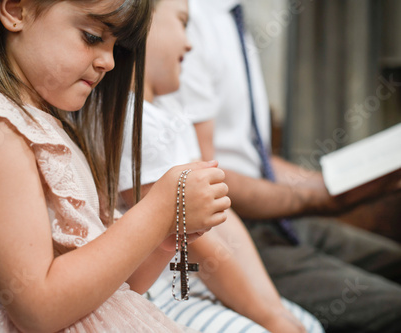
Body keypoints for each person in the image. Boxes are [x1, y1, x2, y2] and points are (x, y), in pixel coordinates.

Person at [0, 0, 232, 332]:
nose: (109, 62)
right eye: (91, 37)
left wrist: (165, 233)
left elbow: (116, 283)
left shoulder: (53, 131)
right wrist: (157, 210)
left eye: (116, 46)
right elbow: (37, 308)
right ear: (16, 11)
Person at [157, 0, 401, 332]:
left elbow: (258, 159)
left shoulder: (232, 18)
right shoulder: (186, 21)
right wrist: (321, 198)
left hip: (276, 218)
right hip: (237, 226)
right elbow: (204, 176)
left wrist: (340, 181)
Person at [119, 1, 323, 332]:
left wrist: (271, 307)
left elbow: (223, 224)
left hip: (203, 286)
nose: (190, 43)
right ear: (138, 21)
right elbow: (194, 238)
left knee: (306, 325)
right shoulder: (133, 122)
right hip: (166, 293)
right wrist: (267, 316)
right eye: (182, 23)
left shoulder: (169, 115)